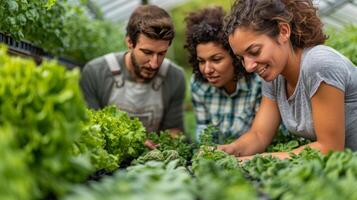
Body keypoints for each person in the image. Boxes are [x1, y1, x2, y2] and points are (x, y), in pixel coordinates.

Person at [218, 0, 357, 159]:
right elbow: (259, 135)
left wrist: (250, 161)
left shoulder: (319, 64)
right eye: (241, 58)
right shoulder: (275, 77)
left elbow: (329, 148)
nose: (249, 66)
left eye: (255, 51)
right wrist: (229, 151)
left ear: (283, 31)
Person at [80, 5, 186, 149]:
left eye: (161, 53)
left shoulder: (175, 77)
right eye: (147, 52)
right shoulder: (95, 72)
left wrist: (163, 147)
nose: (154, 64)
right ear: (129, 42)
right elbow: (89, 128)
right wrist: (131, 142)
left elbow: (174, 130)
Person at [184, 6, 261, 144]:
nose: (207, 70)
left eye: (216, 59)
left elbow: (263, 135)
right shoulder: (198, 84)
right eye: (201, 61)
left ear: (235, 56)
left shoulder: (257, 83)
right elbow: (203, 131)